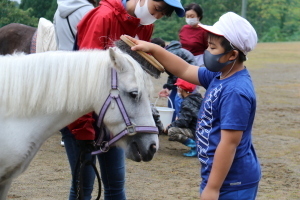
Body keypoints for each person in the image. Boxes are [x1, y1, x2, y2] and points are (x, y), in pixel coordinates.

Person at [125, 11, 261, 200]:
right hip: (218, 176)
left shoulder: (235, 91)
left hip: (233, 182)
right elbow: (185, 69)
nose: (206, 52)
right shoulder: (219, 75)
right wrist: (153, 49)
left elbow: (229, 144)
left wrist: (213, 187)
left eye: (212, 48)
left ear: (232, 55)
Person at [57, 0, 185, 200]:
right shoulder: (104, 17)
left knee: (116, 185)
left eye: (163, 14)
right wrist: (83, 129)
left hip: (115, 116)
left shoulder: (145, 25)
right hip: (82, 115)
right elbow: (84, 77)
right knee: (84, 187)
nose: (158, 17)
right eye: (158, 9)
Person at [151, 38, 196, 121]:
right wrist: (167, 88)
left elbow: (177, 73)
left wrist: (168, 87)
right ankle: (171, 122)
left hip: (189, 77)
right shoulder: (166, 53)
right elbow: (173, 74)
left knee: (182, 101)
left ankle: (183, 123)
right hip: (180, 76)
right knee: (172, 101)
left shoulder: (170, 54)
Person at [165, 78, 202, 157]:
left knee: (172, 131)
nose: (177, 89)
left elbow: (184, 122)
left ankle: (195, 146)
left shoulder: (186, 102)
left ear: (181, 89)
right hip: (202, 130)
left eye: (178, 87)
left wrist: (170, 126)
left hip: (195, 131)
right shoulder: (198, 98)